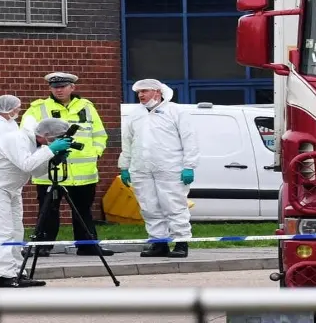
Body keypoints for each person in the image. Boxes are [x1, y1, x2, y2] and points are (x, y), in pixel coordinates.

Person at [0, 118, 74, 288]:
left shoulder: (36, 145)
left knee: (16, 231)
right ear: (46, 135)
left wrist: (53, 157)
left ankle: (18, 272)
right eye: (56, 138)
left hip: (10, 188)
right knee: (0, 232)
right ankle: (4, 275)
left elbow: (36, 170)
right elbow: (26, 165)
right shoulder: (17, 139)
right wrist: (50, 150)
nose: (56, 142)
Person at [20, 72, 112, 257]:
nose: (59, 90)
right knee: (48, 211)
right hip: (50, 169)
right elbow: (27, 134)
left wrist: (96, 152)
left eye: (63, 86)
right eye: (55, 87)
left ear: (72, 87)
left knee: (83, 211)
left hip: (83, 172)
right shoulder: (38, 108)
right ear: (50, 89)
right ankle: (42, 246)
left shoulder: (86, 107)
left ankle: (87, 246)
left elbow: (99, 134)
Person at [118, 78, 199, 258]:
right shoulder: (135, 114)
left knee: (174, 205)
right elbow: (127, 142)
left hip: (170, 168)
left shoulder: (175, 111)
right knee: (149, 207)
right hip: (141, 169)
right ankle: (158, 242)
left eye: (144, 91)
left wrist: (189, 166)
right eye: (139, 93)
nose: (141, 95)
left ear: (157, 92)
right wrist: (124, 166)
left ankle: (181, 242)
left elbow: (189, 140)